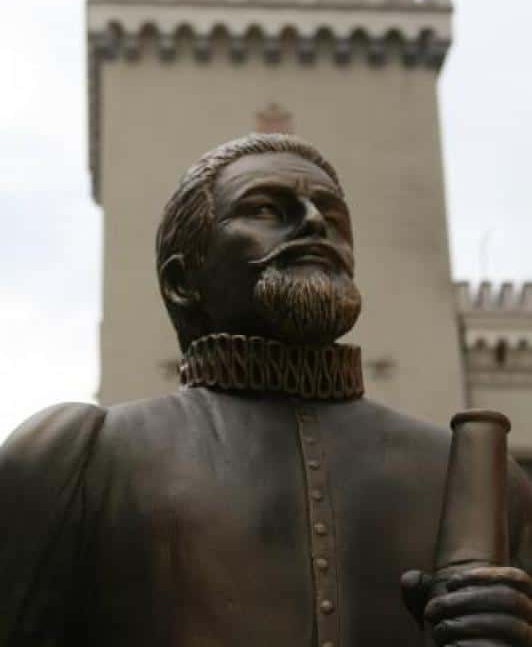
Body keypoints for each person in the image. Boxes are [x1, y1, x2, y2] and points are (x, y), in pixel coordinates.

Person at [1, 134, 532, 647]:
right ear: (183, 281)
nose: (316, 223)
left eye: (334, 216)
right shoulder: (80, 462)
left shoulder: (477, 486)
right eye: (267, 211)